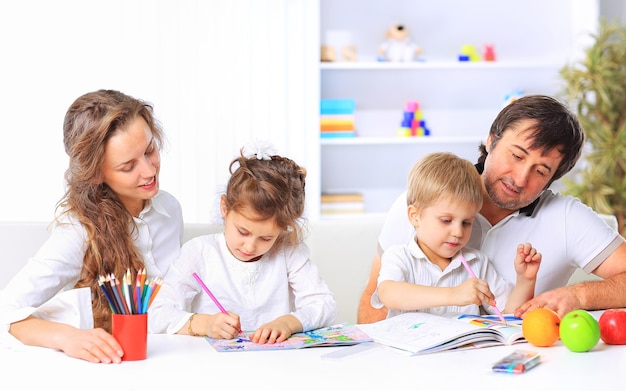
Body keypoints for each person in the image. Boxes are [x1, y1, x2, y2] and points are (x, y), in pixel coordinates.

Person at [358, 94, 626, 324]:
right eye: (517, 155)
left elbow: (508, 309)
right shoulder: (422, 201)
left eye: (541, 171)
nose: (520, 178)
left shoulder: (567, 218)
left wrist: (579, 296)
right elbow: (376, 302)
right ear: (491, 140)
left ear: (552, 179)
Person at [0, 90, 184, 363]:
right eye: (128, 166)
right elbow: (6, 310)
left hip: (172, 359)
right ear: (96, 173)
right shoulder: (78, 229)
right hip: (110, 366)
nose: (149, 171)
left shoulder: (169, 209)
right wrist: (67, 337)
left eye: (150, 150)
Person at [149, 142, 337, 344]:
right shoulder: (199, 252)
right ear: (224, 207)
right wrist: (205, 324)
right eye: (242, 232)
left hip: (277, 365)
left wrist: (289, 322)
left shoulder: (287, 251)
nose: (249, 247)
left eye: (266, 238)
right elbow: (155, 313)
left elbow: (325, 304)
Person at [373, 152, 541, 319]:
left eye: (467, 222)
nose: (458, 232)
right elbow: (388, 293)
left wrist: (525, 280)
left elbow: (509, 313)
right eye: (446, 220)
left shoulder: (476, 263)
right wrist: (453, 295)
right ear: (414, 216)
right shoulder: (400, 256)